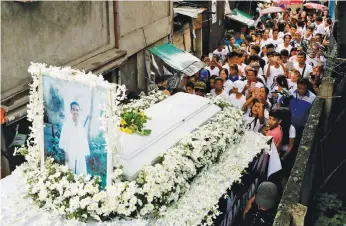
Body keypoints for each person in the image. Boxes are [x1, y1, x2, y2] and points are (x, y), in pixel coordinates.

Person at [59, 101, 90, 175]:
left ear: (79, 111)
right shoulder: (66, 125)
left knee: (80, 173)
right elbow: (64, 141)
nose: (75, 111)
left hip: (79, 154)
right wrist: (66, 155)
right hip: (70, 153)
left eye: (77, 110)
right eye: (73, 109)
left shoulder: (81, 126)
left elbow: (83, 141)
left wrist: (83, 152)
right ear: (70, 111)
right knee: (71, 173)